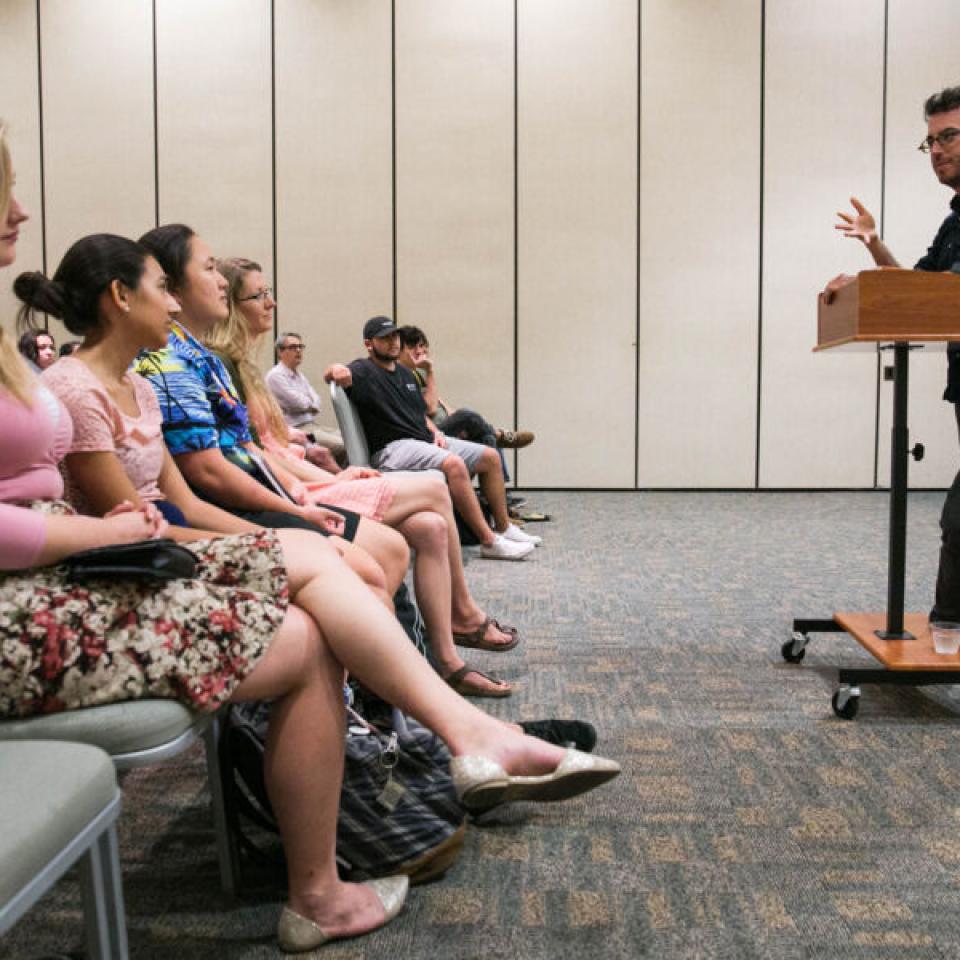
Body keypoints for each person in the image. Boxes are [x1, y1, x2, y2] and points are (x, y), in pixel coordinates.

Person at [0, 126, 619, 949]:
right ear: (124, 295)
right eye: (183, 281)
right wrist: (278, 512)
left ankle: (437, 739)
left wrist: (293, 506)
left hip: (103, 546)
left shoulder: (145, 378)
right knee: (336, 578)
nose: (192, 298)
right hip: (86, 564)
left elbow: (189, 482)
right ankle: (420, 766)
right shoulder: (98, 380)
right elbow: (182, 489)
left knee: (361, 549)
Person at [204, 256, 522, 696]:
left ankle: (447, 659)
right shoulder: (226, 366)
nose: (271, 303)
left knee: (431, 526)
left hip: (301, 475)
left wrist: (331, 473)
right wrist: (325, 481)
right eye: (259, 295)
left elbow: (269, 447)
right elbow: (255, 457)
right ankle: (466, 609)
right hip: (294, 489)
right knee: (438, 483)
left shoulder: (245, 366)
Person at [133, 225, 408, 607]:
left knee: (398, 543)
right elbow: (212, 471)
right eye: (209, 269)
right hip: (236, 501)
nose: (221, 282)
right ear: (172, 288)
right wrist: (296, 503)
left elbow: (250, 448)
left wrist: (299, 491)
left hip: (262, 487)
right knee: (381, 558)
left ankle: (440, 632)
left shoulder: (204, 358)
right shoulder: (169, 362)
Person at [824, 85, 960, 623]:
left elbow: (944, 292)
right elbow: (919, 289)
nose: (938, 150)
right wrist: (872, 253)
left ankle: (947, 628)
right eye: (930, 142)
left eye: (949, 136)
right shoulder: (955, 221)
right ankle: (947, 629)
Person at [325, 317, 541, 560]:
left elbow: (421, 413)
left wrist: (436, 432)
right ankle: (489, 541)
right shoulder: (363, 370)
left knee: (490, 457)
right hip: (393, 448)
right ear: (369, 344)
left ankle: (503, 527)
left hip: (422, 440)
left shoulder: (406, 374)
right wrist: (335, 368)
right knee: (454, 464)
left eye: (395, 336)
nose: (393, 342)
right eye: (385, 338)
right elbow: (330, 373)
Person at [397, 324, 534, 450]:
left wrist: (459, 423)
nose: (419, 351)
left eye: (421, 345)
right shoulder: (400, 376)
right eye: (412, 347)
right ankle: (499, 435)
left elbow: (440, 403)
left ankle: (497, 449)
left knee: (486, 437)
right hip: (429, 434)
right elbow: (430, 409)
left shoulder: (418, 372)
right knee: (467, 414)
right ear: (399, 351)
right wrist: (430, 371)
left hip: (445, 425)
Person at [265, 329, 346, 471]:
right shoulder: (275, 376)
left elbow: (316, 400)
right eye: (293, 347)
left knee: (348, 438)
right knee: (343, 445)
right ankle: (342, 477)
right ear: (280, 352)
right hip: (296, 429)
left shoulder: (299, 375)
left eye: (300, 347)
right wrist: (309, 402)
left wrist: (308, 403)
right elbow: (299, 403)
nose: (298, 350)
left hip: (311, 424)